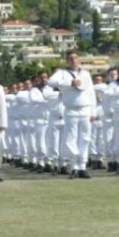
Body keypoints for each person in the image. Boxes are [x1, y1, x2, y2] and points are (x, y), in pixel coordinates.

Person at [47, 51, 96, 179]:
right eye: (70, 58)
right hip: (70, 109)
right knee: (71, 139)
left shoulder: (85, 74)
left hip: (85, 109)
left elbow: (91, 93)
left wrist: (93, 112)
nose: (73, 60)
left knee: (85, 139)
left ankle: (82, 167)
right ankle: (74, 166)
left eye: (75, 57)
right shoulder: (62, 73)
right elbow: (50, 82)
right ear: (67, 61)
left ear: (79, 59)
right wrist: (69, 83)